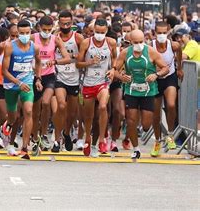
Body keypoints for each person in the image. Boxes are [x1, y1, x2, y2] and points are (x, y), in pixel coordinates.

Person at [114, 30, 169, 159]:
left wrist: (156, 75)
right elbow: (114, 70)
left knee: (146, 125)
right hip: (131, 90)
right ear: (130, 42)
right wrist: (121, 77)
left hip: (148, 91)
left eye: (141, 42)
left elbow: (165, 68)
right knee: (131, 120)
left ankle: (153, 137)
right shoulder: (125, 53)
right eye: (136, 42)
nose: (139, 45)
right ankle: (136, 148)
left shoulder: (150, 52)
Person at [1, 20, 42, 159]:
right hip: (11, 84)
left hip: (27, 82)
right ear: (17, 33)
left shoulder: (34, 47)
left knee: (28, 111)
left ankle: (25, 148)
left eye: (27, 33)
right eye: (21, 33)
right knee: (13, 117)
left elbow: (38, 62)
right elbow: (4, 71)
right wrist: (18, 82)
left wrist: (38, 78)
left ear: (31, 32)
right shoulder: (9, 47)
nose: (24, 36)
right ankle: (8, 125)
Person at [77, 18, 117, 157]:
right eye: (97, 32)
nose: (99, 35)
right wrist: (89, 62)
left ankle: (101, 139)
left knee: (103, 106)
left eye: (102, 32)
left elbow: (115, 60)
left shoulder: (111, 42)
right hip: (88, 82)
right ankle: (88, 137)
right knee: (88, 117)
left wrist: (113, 69)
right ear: (93, 31)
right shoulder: (86, 43)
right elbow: (78, 64)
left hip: (103, 82)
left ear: (106, 31)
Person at [31, 16, 70, 153]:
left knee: (46, 102)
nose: (46, 32)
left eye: (49, 29)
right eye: (44, 29)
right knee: (35, 112)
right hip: (34, 76)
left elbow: (67, 58)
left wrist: (55, 62)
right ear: (39, 27)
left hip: (49, 76)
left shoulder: (55, 39)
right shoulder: (32, 38)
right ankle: (35, 137)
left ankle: (44, 134)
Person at [151, 21, 183, 156]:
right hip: (156, 79)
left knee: (171, 105)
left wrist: (179, 68)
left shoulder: (173, 45)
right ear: (155, 32)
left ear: (168, 32)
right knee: (156, 113)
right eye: (159, 33)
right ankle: (157, 141)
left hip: (170, 77)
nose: (162, 35)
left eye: (164, 33)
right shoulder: (150, 47)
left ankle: (170, 135)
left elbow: (180, 51)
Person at [54, 10, 84, 152]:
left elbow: (83, 57)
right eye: (62, 23)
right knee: (61, 105)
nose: (65, 26)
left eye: (68, 23)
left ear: (72, 23)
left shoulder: (78, 38)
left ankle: (66, 132)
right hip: (59, 77)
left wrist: (78, 57)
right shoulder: (55, 38)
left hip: (74, 77)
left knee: (72, 113)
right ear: (59, 23)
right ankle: (57, 138)